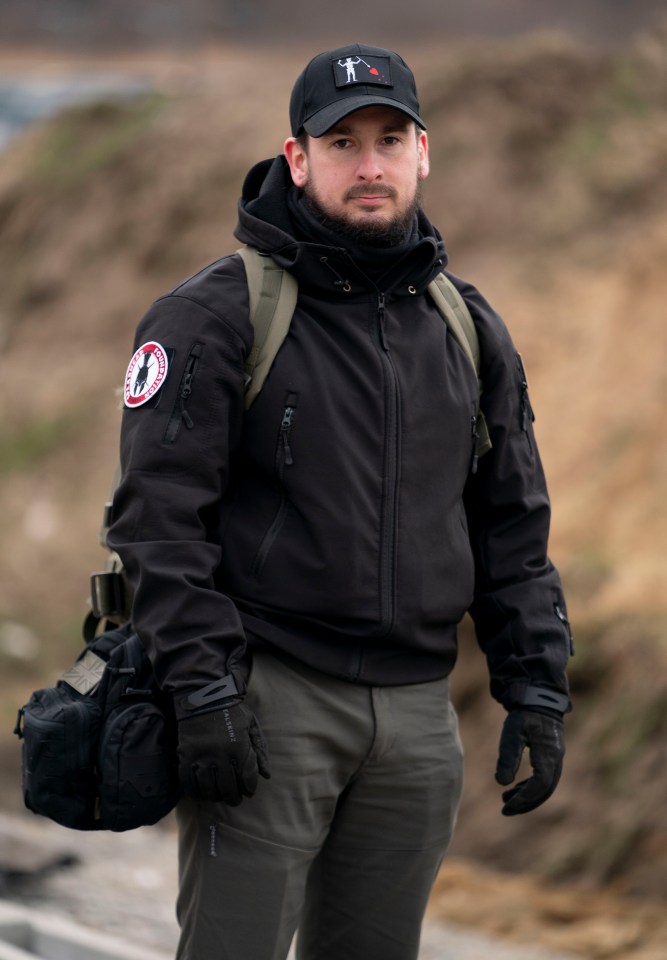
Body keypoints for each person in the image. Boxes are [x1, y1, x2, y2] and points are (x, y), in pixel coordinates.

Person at [108, 42, 573, 960]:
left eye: (389, 140)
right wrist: (203, 691)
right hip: (268, 701)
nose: (369, 166)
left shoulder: (466, 326)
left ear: (422, 152)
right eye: (342, 143)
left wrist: (534, 683)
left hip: (415, 716)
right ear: (296, 158)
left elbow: (510, 524)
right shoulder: (212, 316)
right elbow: (157, 523)